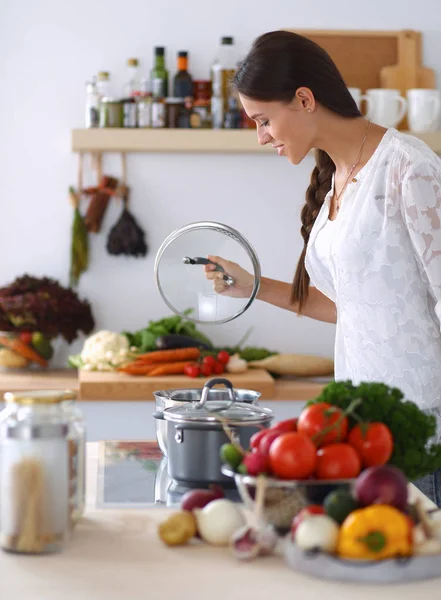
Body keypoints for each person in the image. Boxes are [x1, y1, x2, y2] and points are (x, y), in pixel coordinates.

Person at [204, 30, 441, 506]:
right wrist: (250, 286)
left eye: (264, 119)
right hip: (357, 424)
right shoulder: (334, 179)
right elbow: (344, 307)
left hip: (423, 428)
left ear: (305, 99)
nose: (261, 136)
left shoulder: (407, 167)